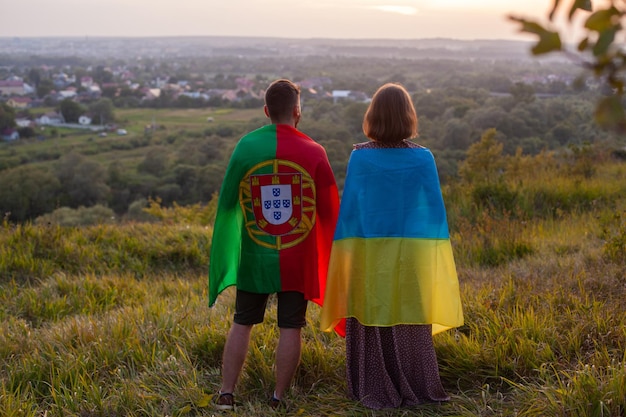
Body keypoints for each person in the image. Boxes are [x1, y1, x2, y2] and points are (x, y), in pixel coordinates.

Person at [320, 83, 464, 409]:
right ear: (408, 116)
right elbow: (431, 212)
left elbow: (353, 213)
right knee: (408, 313)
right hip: (410, 254)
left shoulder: (361, 158)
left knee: (371, 312)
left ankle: (373, 384)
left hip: (368, 254)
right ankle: (415, 382)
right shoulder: (422, 158)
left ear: (373, 116)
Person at [208, 79, 340, 411]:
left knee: (242, 321)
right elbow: (330, 212)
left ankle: (226, 393)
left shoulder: (246, 147)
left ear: (266, 111)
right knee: (291, 326)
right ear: (297, 112)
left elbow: (226, 204)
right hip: (297, 258)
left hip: (256, 253)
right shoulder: (314, 152)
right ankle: (278, 397)